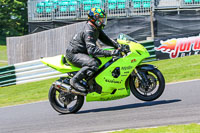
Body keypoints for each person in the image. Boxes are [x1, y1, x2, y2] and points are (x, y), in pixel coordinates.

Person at [65, 8, 121, 92]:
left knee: (101, 63)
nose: (102, 21)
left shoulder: (95, 28)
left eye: (103, 19)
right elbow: (92, 50)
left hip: (81, 52)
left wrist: (118, 46)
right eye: (100, 19)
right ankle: (74, 81)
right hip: (74, 54)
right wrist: (111, 53)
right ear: (94, 18)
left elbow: (105, 39)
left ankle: (91, 83)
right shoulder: (89, 30)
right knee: (93, 63)